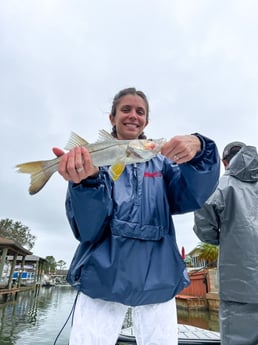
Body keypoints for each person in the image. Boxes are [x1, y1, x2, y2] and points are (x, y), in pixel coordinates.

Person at [53, 87, 220, 345]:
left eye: (140, 111)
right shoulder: (91, 163)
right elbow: (88, 231)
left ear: (147, 121)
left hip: (159, 278)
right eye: (126, 109)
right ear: (112, 118)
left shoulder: (163, 163)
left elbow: (193, 195)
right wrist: (86, 184)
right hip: (102, 279)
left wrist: (201, 150)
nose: (133, 115)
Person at [193, 142, 258, 345]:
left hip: (238, 283)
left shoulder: (221, 186)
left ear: (224, 162)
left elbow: (204, 227)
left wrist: (222, 238)